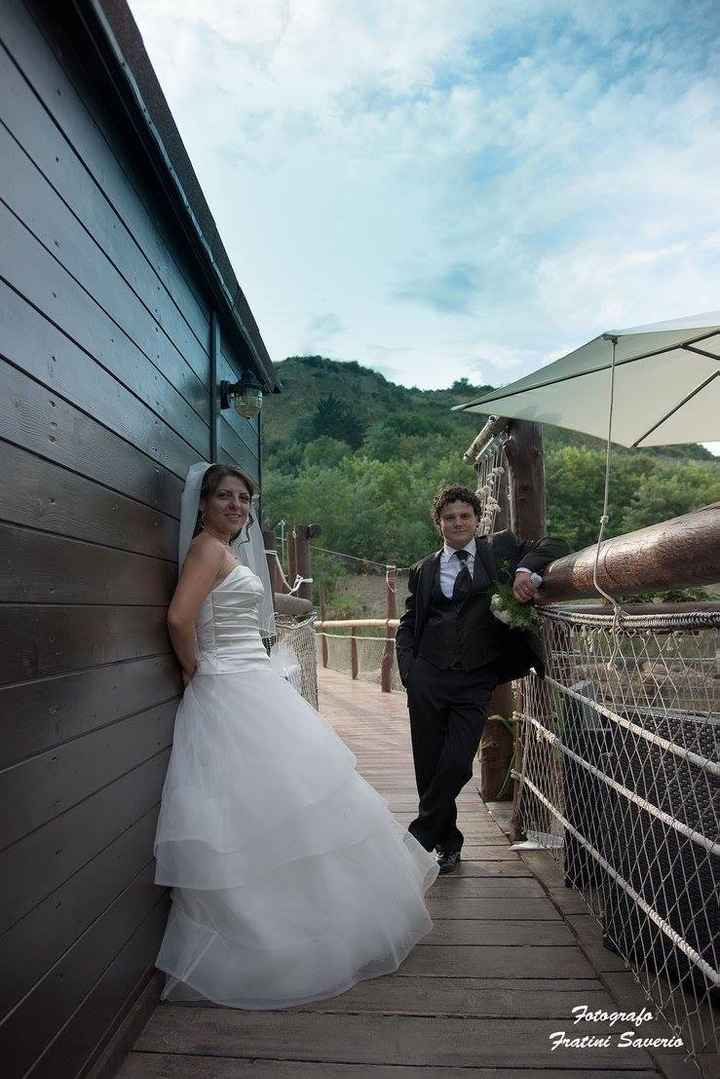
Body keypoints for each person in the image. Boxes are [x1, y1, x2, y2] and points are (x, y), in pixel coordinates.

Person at [153, 462, 438, 1009]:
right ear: (204, 504)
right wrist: (195, 669)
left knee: (277, 798)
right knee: (261, 803)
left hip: (252, 683)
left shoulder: (225, 550)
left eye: (243, 498)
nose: (236, 506)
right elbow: (178, 620)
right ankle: (281, 929)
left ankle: (307, 916)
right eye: (225, 497)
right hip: (227, 683)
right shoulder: (209, 549)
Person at [395, 483, 567, 874]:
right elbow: (410, 621)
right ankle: (447, 843)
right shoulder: (424, 568)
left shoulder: (501, 549)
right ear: (438, 523)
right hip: (428, 676)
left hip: (476, 676)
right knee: (429, 764)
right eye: (449, 517)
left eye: (465, 516)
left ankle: (418, 836)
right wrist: (410, 669)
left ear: (476, 519)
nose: (458, 523)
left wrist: (524, 571)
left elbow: (555, 544)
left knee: (456, 762)